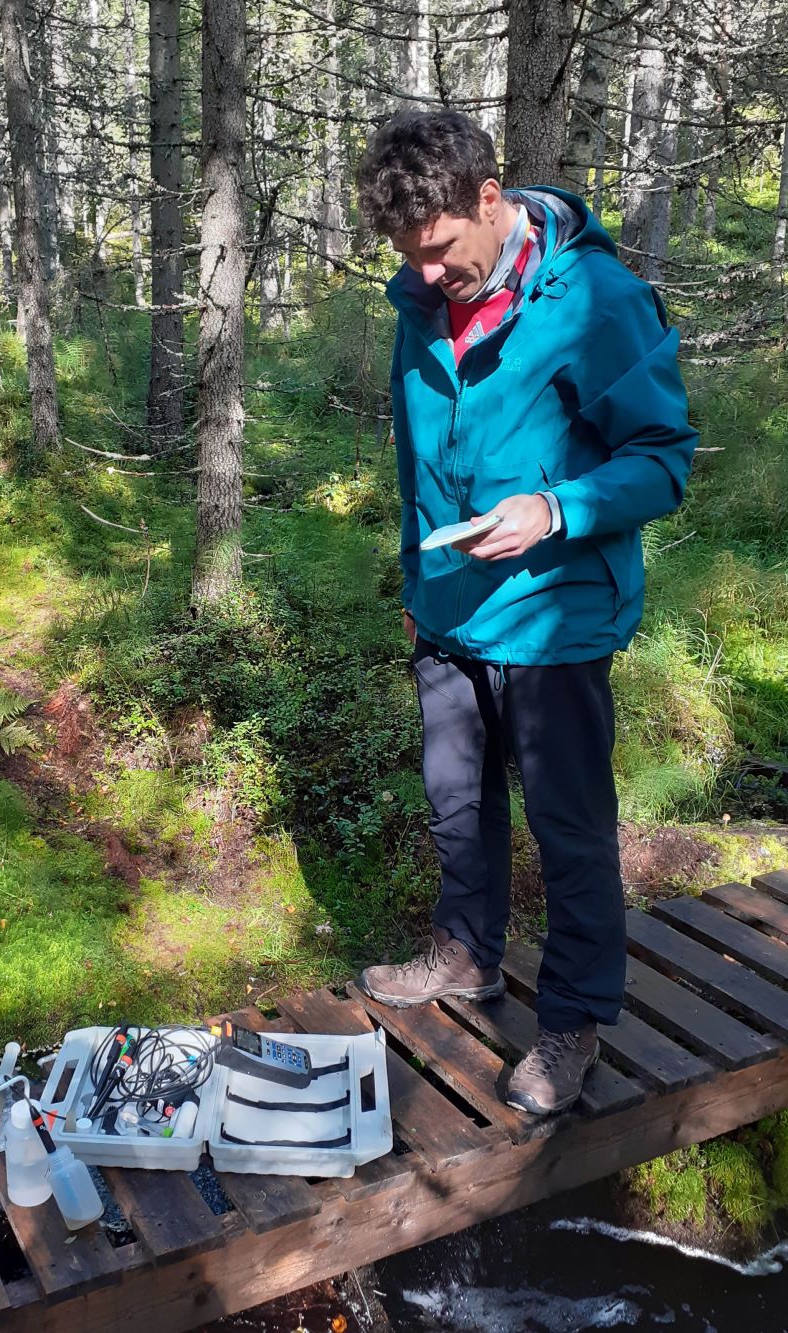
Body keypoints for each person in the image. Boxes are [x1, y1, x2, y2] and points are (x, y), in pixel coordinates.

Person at [352, 110, 697, 1116]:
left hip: (550, 617)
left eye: (439, 251)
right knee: (455, 804)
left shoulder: (594, 300)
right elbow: (418, 459)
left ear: (489, 199)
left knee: (569, 829)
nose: (424, 274)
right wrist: (416, 590)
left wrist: (555, 508)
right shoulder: (417, 304)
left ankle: (572, 1023)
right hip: (450, 610)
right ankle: (463, 954)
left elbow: (661, 459)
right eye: (406, 256)